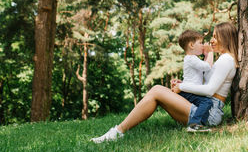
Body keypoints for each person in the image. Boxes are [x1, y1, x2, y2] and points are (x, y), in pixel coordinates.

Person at [91, 22, 238, 143]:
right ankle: (118, 131)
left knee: (156, 90)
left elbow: (209, 90)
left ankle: (117, 132)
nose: (211, 41)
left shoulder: (226, 60)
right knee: (157, 92)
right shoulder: (224, 59)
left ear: (225, 38)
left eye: (215, 37)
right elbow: (206, 85)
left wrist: (182, 86)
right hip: (204, 108)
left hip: (209, 112)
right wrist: (184, 84)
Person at [176, 30, 214, 132]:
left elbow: (203, 67)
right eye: (200, 43)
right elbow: (207, 66)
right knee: (206, 102)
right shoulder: (191, 58)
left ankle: (200, 124)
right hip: (188, 91)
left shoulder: (192, 58)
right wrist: (210, 52)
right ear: (192, 45)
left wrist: (206, 56)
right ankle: (194, 124)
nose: (203, 45)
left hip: (190, 90)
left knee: (207, 102)